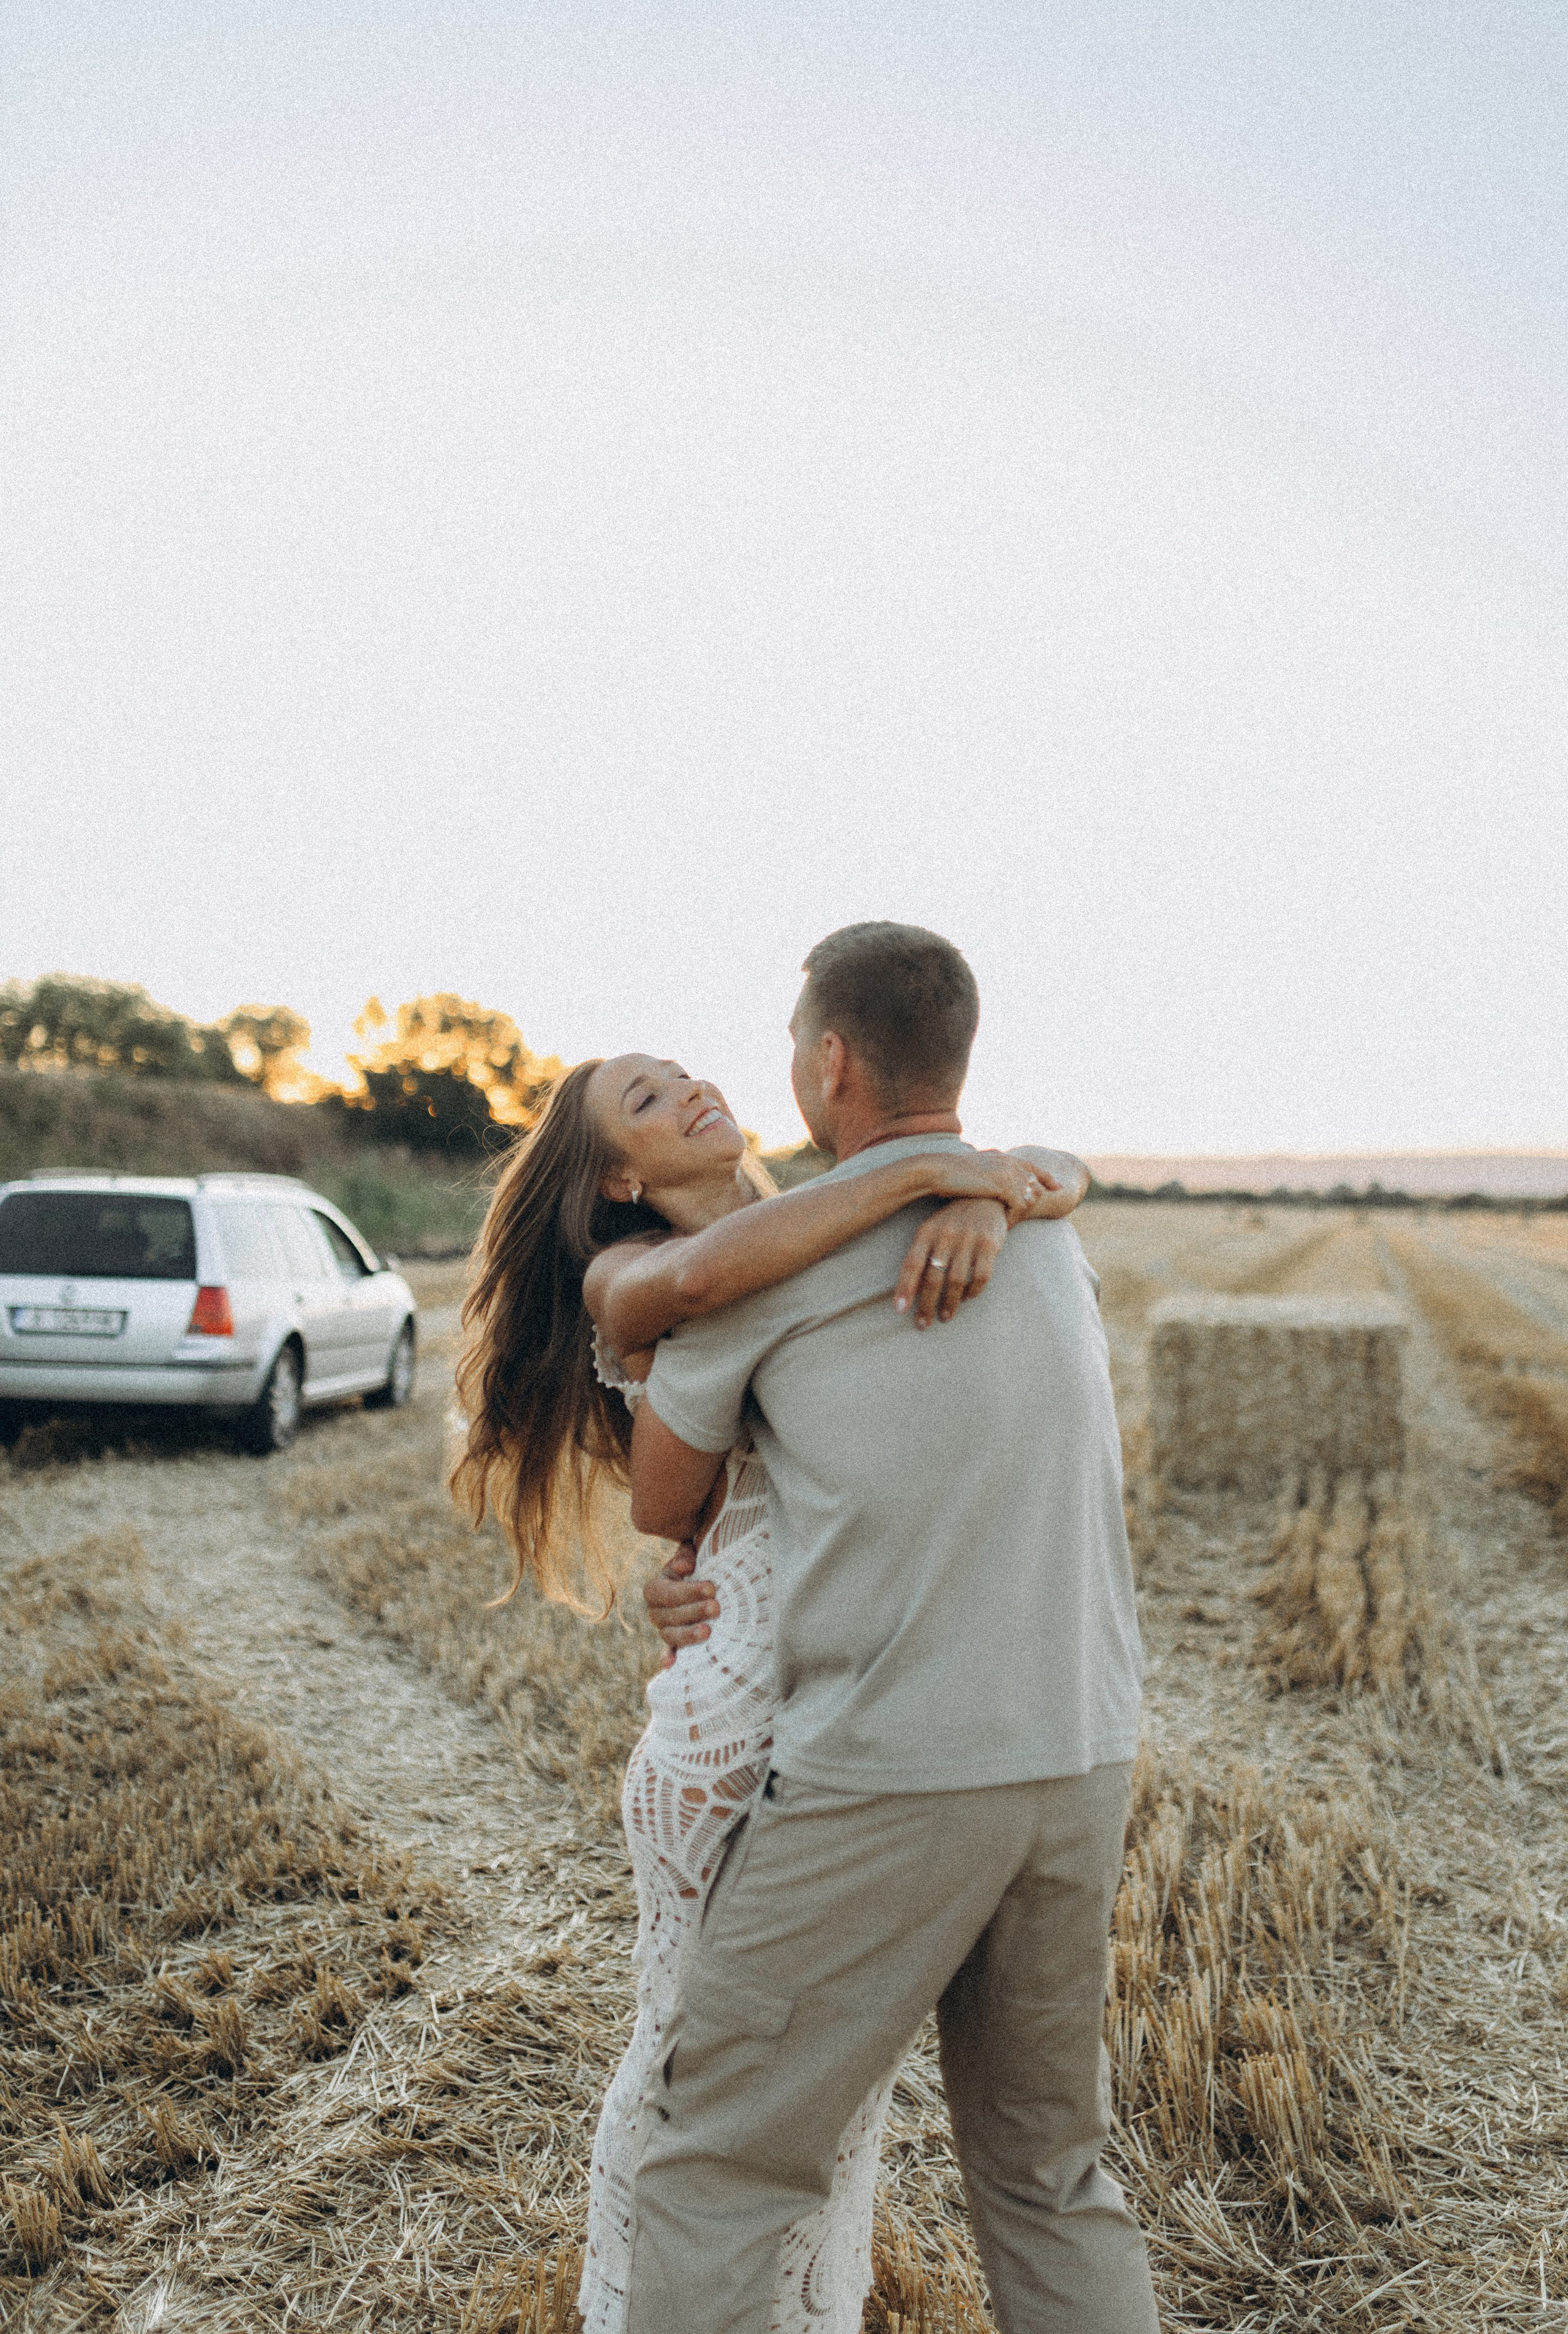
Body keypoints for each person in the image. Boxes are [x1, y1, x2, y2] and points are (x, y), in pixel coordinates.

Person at [450, 1046, 1087, 2334]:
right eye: (645, 1100)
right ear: (622, 1174)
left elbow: (1067, 1168)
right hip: (731, 1717)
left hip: (842, 1696)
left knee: (831, 2072)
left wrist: (987, 1194)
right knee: (692, 2059)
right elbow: (697, 1286)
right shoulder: (625, 1273)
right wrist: (934, 1168)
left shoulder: (828, 1216)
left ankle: (801, 2311)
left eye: (680, 1070)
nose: (688, 1089)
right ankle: (633, 2308)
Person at [625, 922, 1156, 2334]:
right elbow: (1040, 1169)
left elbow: (656, 1498)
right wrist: (984, 1191)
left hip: (890, 1775)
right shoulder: (1042, 1226)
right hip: (1083, 1752)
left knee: (717, 2166)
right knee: (1051, 2175)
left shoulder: (761, 1272)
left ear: (829, 1060)